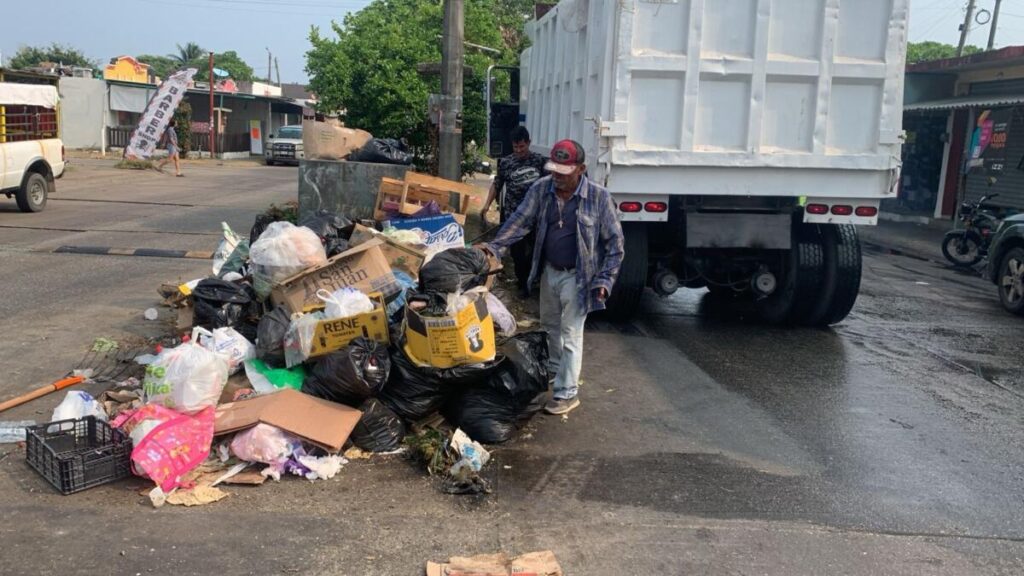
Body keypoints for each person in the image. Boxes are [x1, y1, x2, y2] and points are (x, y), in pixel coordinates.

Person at [483, 139, 624, 415]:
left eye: (564, 172)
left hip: (580, 277)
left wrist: (605, 280)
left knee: (571, 334)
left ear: (581, 169)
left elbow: (615, 246)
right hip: (549, 272)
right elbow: (520, 221)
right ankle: (555, 370)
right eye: (554, 170)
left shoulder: (598, 198)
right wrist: (494, 247)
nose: (557, 176)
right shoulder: (541, 189)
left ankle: (567, 393)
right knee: (549, 327)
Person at [481, 126, 548, 296]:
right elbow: (497, 184)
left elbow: (550, 185)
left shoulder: (540, 161)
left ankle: (533, 278)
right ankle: (523, 283)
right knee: (517, 253)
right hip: (514, 216)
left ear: (529, 143)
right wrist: (487, 205)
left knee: (537, 250)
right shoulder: (506, 163)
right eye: (515, 147)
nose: (519, 150)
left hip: (536, 216)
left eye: (522, 147)